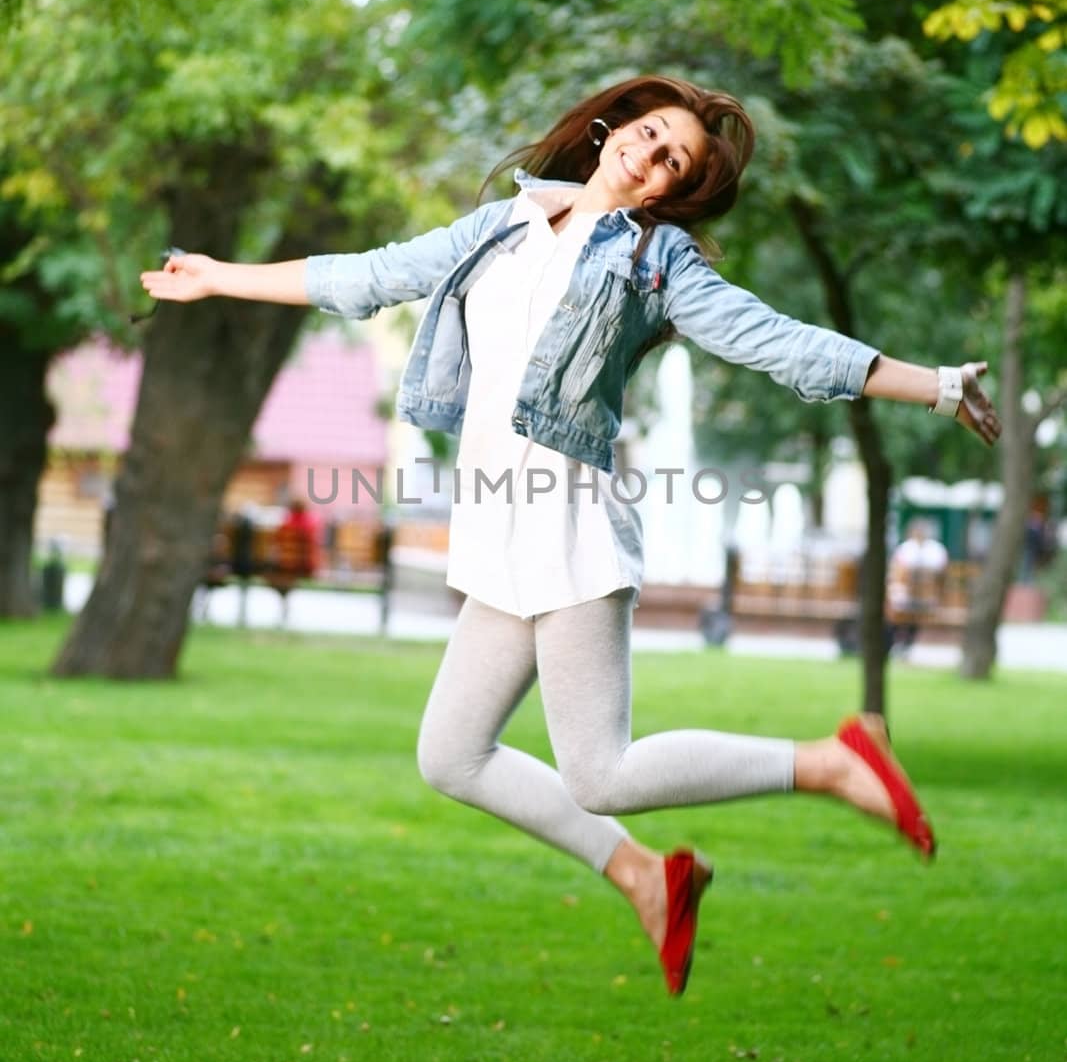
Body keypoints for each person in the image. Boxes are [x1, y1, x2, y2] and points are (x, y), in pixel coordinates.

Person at [140, 74, 1003, 996]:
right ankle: (644, 873)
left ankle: (831, 761)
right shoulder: (502, 227)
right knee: (451, 754)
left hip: (567, 528)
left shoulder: (656, 264)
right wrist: (217, 278)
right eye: (649, 133)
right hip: (497, 529)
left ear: (671, 190)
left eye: (673, 160)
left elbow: (771, 339)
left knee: (600, 771)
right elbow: (369, 275)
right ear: (610, 130)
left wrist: (934, 384)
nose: (650, 155)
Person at [887, 517, 949, 654]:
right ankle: (896, 641)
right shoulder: (905, 548)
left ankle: (906, 641)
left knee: (910, 613)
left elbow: (940, 572)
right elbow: (898, 571)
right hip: (906, 595)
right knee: (895, 610)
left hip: (928, 595)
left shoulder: (935, 549)